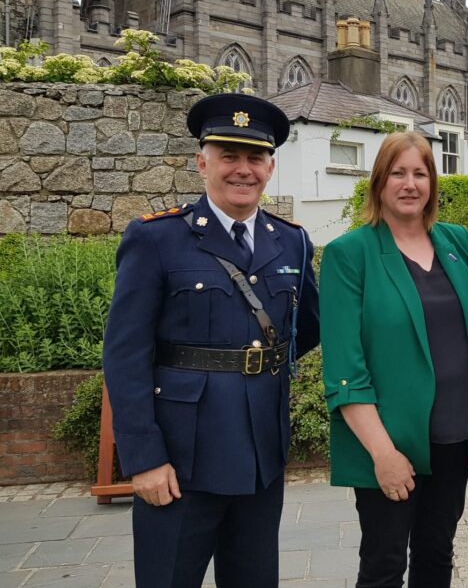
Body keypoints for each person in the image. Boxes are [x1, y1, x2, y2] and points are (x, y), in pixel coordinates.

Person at [101, 93, 320, 587]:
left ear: (270, 166)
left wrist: (258, 368)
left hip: (262, 451)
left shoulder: (291, 241)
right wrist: (144, 458)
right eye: (229, 156)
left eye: (255, 157)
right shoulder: (157, 238)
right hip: (180, 459)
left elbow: (305, 326)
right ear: (202, 162)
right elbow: (124, 354)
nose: (243, 169)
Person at [319, 132, 468, 588]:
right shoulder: (349, 254)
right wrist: (382, 453)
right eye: (398, 173)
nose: (410, 184)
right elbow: (344, 370)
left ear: (433, 183)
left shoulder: (455, 241)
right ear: (379, 182)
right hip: (390, 446)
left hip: (454, 436)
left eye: (420, 173)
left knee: (437, 555)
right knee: (384, 564)